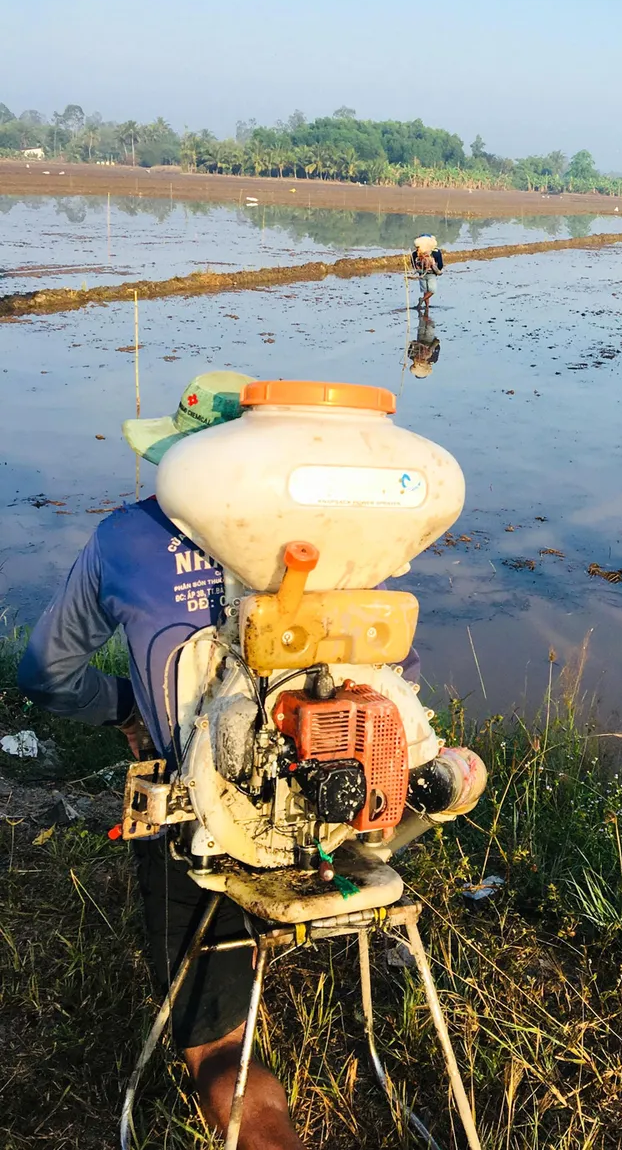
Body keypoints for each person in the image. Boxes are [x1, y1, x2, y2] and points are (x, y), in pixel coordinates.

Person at [17, 370, 417, 1150]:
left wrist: (125, 707)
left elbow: (44, 673)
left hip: (202, 832)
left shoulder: (124, 538)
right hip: (348, 822)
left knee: (222, 1052)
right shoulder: (331, 536)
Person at [410, 233, 444, 308]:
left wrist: (418, 270)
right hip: (431, 274)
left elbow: (413, 263)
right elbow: (441, 264)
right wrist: (437, 271)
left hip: (421, 274)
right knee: (432, 291)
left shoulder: (416, 253)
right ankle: (422, 300)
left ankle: (427, 307)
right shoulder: (436, 252)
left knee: (425, 291)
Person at [407, 308, 441, 379]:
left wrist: (415, 344)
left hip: (420, 338)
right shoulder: (432, 359)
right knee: (430, 324)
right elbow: (437, 347)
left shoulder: (411, 356)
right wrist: (431, 348)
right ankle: (426, 309)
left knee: (422, 323)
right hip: (429, 340)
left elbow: (411, 346)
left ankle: (423, 310)